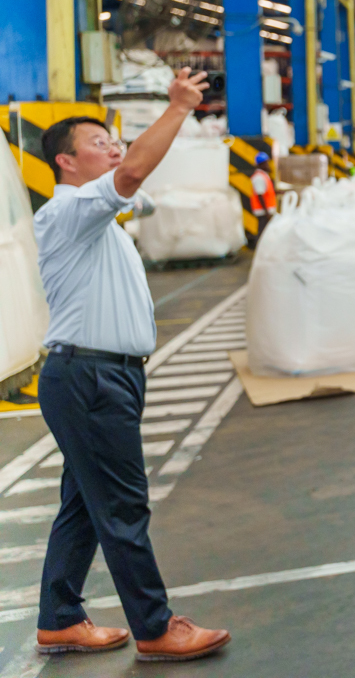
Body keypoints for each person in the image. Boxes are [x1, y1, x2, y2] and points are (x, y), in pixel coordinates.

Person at [32, 70, 231, 662]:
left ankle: (60, 617)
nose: (114, 149)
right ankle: (154, 627)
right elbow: (135, 173)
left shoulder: (98, 215)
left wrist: (155, 135)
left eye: (114, 141)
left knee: (84, 503)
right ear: (66, 162)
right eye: (98, 143)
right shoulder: (68, 212)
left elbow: (136, 180)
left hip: (105, 375)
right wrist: (176, 108)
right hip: (88, 376)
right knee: (121, 505)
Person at [248, 152, 276, 218]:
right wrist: (266, 212)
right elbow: (260, 195)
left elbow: (267, 192)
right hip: (263, 212)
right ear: (261, 164)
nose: (268, 165)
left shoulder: (264, 175)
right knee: (263, 228)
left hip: (267, 210)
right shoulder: (258, 177)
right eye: (266, 163)